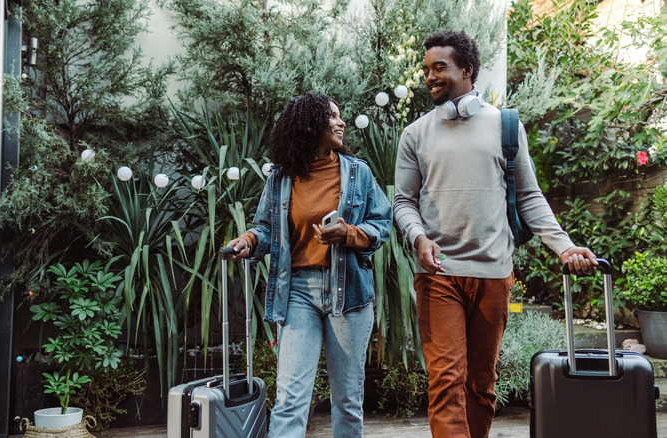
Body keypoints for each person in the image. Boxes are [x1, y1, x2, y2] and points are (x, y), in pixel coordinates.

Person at [393, 30, 597, 438]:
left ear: (467, 70)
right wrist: (418, 237)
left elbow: (529, 196)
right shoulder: (415, 133)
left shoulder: (506, 126)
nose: (430, 76)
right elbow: (403, 202)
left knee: (480, 385)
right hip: (439, 276)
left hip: (493, 276)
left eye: (440, 68)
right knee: (446, 381)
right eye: (426, 69)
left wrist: (564, 246)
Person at [226, 93, 392, 437]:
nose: (341, 122)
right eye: (332, 117)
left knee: (347, 400)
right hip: (297, 291)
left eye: (340, 116)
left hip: (348, 293)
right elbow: (267, 227)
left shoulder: (358, 173)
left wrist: (349, 234)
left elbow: (382, 224)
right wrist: (250, 241)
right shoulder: (281, 178)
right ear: (309, 124)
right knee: (289, 398)